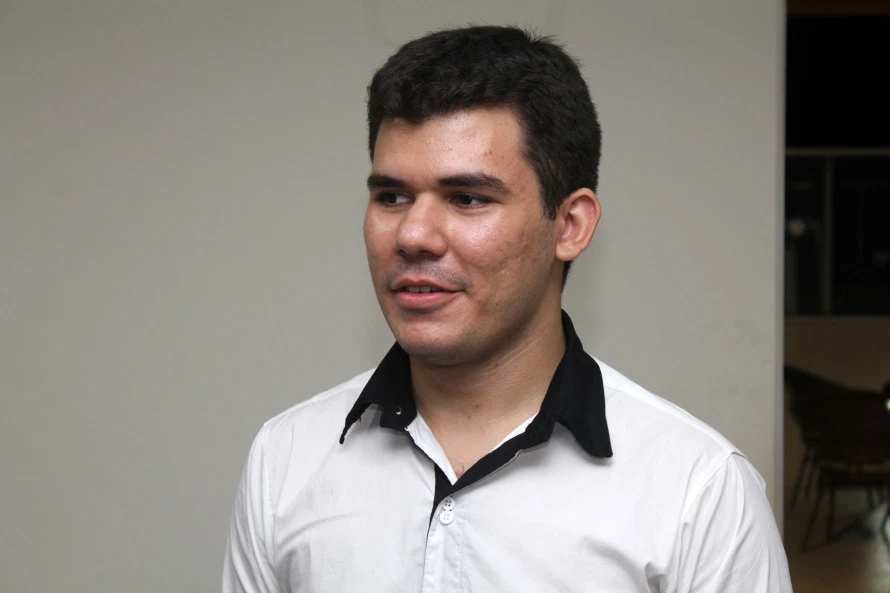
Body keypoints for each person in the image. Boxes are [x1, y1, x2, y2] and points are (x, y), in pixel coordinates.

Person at [223, 25, 792, 593]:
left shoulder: (697, 492)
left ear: (569, 226)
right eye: (391, 196)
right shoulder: (286, 459)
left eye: (468, 198)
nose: (413, 234)